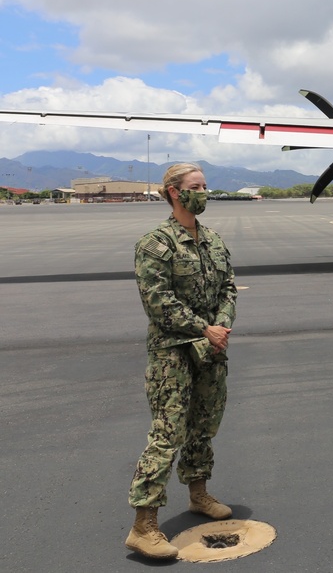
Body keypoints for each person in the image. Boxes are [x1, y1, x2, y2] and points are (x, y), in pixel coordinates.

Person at [126, 163, 238, 560]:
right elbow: (157, 303)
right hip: (173, 352)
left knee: (203, 425)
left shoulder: (212, 240)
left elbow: (229, 288)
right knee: (168, 433)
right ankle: (144, 525)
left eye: (206, 185)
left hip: (211, 350)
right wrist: (203, 328)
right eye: (196, 186)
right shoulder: (156, 243)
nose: (204, 192)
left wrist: (221, 327)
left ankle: (198, 493)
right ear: (174, 192)